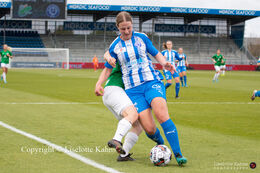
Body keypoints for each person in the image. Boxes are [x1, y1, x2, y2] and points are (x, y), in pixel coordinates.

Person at [104, 11, 187, 165]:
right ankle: (161, 145)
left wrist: (165, 64)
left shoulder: (141, 38)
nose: (127, 31)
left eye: (129, 27)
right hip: (133, 91)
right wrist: (106, 58)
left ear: (132, 25)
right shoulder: (115, 45)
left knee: (161, 115)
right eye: (123, 29)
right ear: (118, 28)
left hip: (151, 82)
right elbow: (108, 61)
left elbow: (156, 53)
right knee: (149, 129)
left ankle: (178, 153)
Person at [95, 56, 143, 161]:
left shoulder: (126, 53)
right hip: (115, 89)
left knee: (137, 126)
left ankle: (123, 155)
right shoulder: (128, 54)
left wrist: (98, 84)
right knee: (133, 115)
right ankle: (116, 139)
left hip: (110, 92)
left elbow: (108, 60)